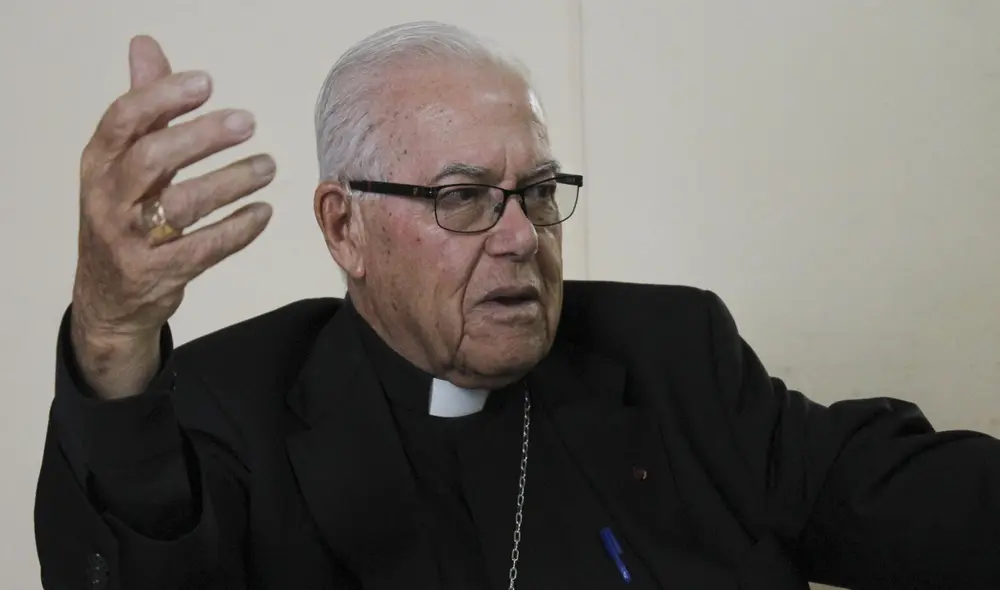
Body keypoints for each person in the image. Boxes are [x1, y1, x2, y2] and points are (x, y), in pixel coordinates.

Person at [33, 21, 1000, 590]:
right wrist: (115, 333)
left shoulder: (671, 351)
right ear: (343, 230)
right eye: (460, 197)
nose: (518, 237)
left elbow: (874, 486)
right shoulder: (225, 408)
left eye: (537, 191)